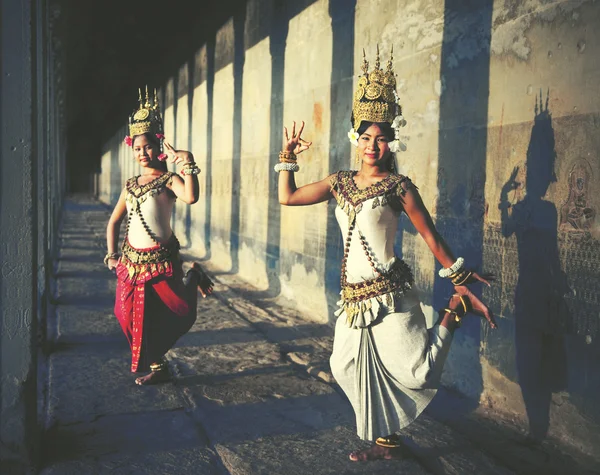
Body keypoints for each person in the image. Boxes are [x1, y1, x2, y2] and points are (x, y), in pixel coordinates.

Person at [276, 49, 497, 461]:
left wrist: (462, 280)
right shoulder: (339, 182)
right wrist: (288, 156)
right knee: (344, 367)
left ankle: (455, 308)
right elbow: (287, 197)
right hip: (353, 301)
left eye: (379, 138)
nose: (372, 145)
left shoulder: (399, 186)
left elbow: (432, 239)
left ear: (391, 140)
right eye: (365, 137)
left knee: (419, 371)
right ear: (354, 139)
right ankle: (387, 442)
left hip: (391, 294)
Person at [105, 87, 213, 386]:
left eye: (148, 147)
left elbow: (191, 197)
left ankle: (194, 278)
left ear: (160, 147)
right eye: (138, 149)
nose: (143, 154)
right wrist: (111, 255)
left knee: (179, 312)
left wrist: (188, 161)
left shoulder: (169, 180)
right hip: (130, 262)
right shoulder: (130, 185)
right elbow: (114, 222)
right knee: (125, 314)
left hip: (161, 261)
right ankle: (157, 364)